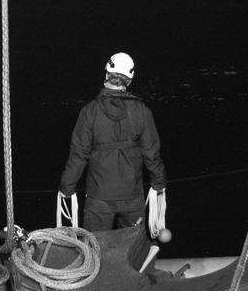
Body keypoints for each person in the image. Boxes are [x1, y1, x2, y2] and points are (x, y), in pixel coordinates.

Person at [58, 52, 167, 231]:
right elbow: (152, 153)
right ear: (129, 80)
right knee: (132, 250)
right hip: (131, 196)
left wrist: (67, 186)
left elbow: (78, 154)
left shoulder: (89, 112)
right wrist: (159, 183)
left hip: (99, 197)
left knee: (96, 249)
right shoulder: (142, 111)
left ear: (107, 74)